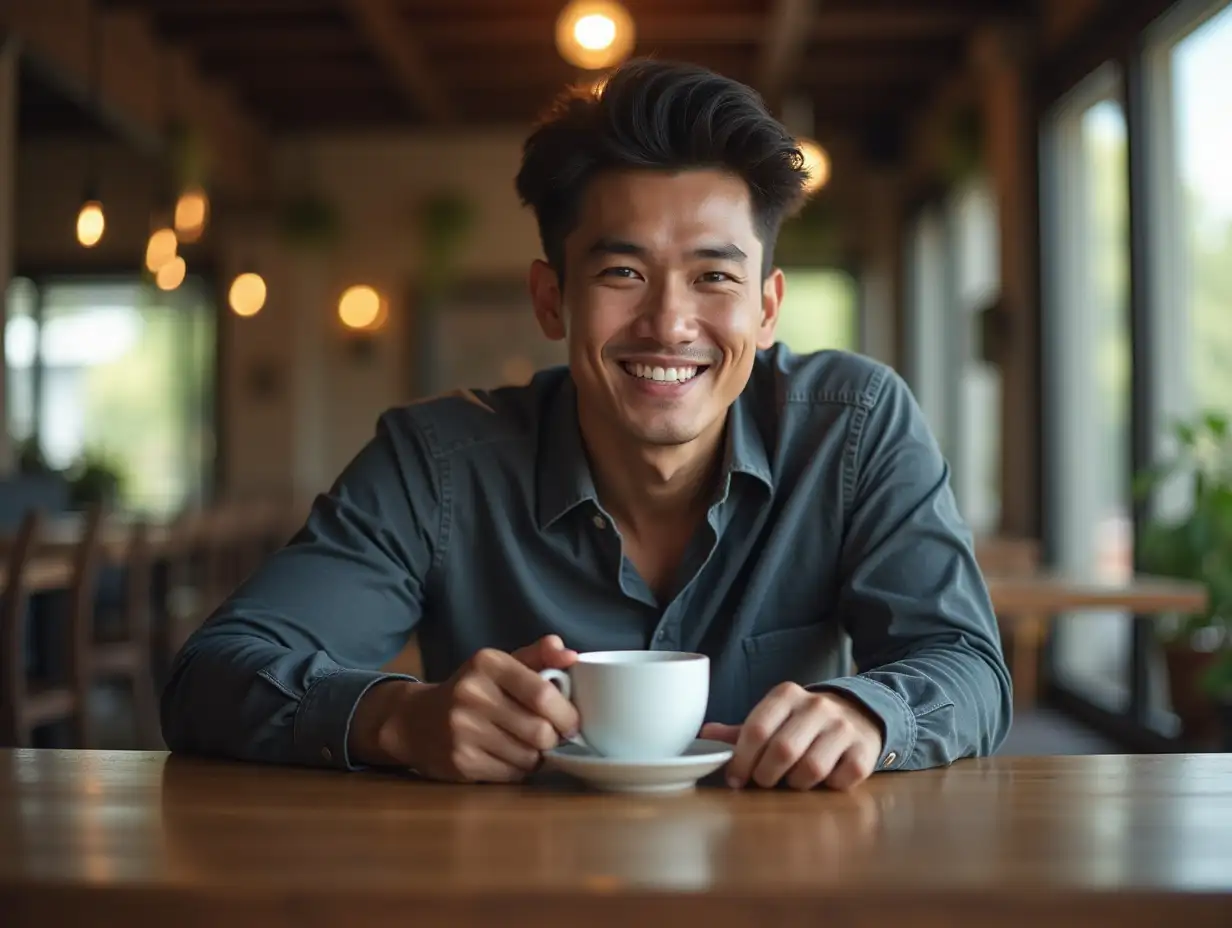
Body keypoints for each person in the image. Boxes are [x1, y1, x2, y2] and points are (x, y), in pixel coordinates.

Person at [161, 59, 1011, 791]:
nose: (670, 323)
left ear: (766, 306)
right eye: (622, 271)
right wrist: (399, 718)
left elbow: (968, 666)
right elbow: (210, 674)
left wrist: (867, 713)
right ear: (550, 297)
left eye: (715, 276)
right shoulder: (437, 465)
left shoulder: (852, 429)